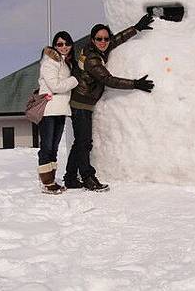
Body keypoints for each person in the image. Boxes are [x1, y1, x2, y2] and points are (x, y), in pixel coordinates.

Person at [64, 14, 155, 191]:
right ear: (92, 40)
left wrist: (136, 28)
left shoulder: (99, 49)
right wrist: (135, 84)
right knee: (84, 143)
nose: (104, 42)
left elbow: (116, 40)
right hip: (81, 104)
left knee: (79, 142)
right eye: (99, 39)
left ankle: (70, 177)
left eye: (105, 38)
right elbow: (108, 79)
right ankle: (88, 177)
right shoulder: (92, 58)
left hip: (84, 102)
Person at [37, 31, 79, 194]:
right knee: (47, 146)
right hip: (49, 109)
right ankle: (46, 182)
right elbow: (55, 86)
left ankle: (50, 179)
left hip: (59, 108)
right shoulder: (50, 62)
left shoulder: (65, 62)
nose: (64, 47)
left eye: (67, 44)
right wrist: (75, 80)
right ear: (54, 46)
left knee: (53, 146)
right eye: (60, 44)